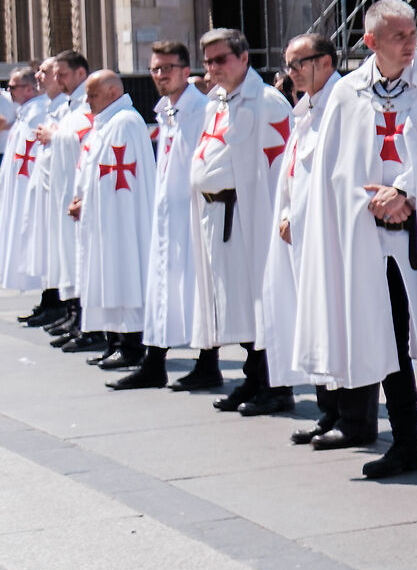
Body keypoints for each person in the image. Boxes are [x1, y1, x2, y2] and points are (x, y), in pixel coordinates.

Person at [291, 0, 417, 484]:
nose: (410, 42)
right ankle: (405, 443)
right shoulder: (348, 94)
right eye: (398, 35)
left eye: (414, 32)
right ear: (370, 41)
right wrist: (369, 201)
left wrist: (406, 190)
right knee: (388, 338)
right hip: (369, 238)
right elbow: (335, 170)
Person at [184, 31, 293, 409]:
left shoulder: (267, 102)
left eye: (221, 59)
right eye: (208, 61)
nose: (213, 68)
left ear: (243, 58)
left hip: (251, 217)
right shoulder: (217, 102)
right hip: (218, 216)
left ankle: (275, 386)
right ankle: (253, 377)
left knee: (259, 298)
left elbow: (279, 166)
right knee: (237, 302)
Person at [112, 44, 210, 390]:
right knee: (164, 290)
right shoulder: (167, 110)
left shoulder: (199, 109)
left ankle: (206, 363)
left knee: (195, 289)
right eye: (155, 69)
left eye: (168, 67)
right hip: (167, 214)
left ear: (186, 70)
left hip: (190, 214)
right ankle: (156, 363)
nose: (160, 75)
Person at [267, 34, 339, 439]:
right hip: (301, 233)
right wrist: (287, 212)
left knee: (333, 321)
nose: (291, 72)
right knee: (309, 319)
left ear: (325, 62)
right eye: (288, 64)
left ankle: (353, 417)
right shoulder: (306, 107)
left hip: (327, 235)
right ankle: (328, 411)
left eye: (299, 63)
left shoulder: (341, 104)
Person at [67, 71, 154, 372]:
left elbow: (120, 176)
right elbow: (95, 170)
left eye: (92, 95)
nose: (87, 101)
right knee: (109, 278)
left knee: (123, 276)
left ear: (112, 93)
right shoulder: (107, 123)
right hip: (104, 216)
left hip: (121, 218)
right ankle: (116, 341)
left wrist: (87, 202)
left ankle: (131, 345)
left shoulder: (125, 122)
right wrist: (82, 199)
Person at [34, 52, 95, 349]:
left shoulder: (87, 103)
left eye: (63, 74)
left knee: (77, 255)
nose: (57, 80)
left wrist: (54, 135)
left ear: (80, 73)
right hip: (63, 189)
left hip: (76, 191)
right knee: (68, 254)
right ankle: (74, 314)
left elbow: (84, 137)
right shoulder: (73, 105)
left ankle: (84, 320)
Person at [0, 63, 51, 323]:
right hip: (20, 187)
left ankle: (53, 302)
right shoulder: (26, 112)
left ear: (29, 88)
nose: (9, 91)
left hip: (31, 190)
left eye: (13, 86)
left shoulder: (38, 112)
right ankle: (47, 299)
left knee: (41, 242)